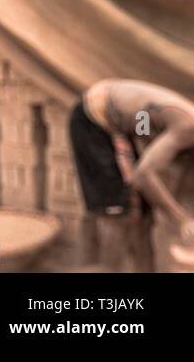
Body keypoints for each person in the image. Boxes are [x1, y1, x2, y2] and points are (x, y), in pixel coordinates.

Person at [70, 78, 194, 271]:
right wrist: (181, 219)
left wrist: (177, 214)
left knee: (145, 214)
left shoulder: (184, 142)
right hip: (94, 118)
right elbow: (143, 176)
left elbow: (178, 184)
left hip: (131, 123)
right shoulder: (187, 128)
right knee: (116, 210)